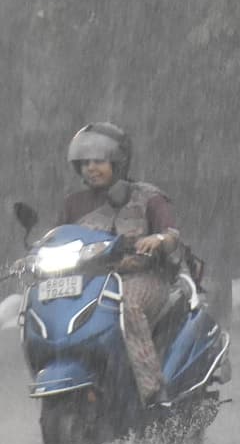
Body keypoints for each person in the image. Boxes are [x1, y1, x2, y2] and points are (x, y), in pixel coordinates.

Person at [59, 121, 180, 407]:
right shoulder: (73, 204)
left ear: (118, 162)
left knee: (129, 305)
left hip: (144, 278)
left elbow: (172, 235)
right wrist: (33, 256)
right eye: (85, 163)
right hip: (92, 283)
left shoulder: (148, 196)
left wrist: (158, 239)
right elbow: (58, 239)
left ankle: (153, 391)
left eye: (99, 161)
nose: (91, 168)